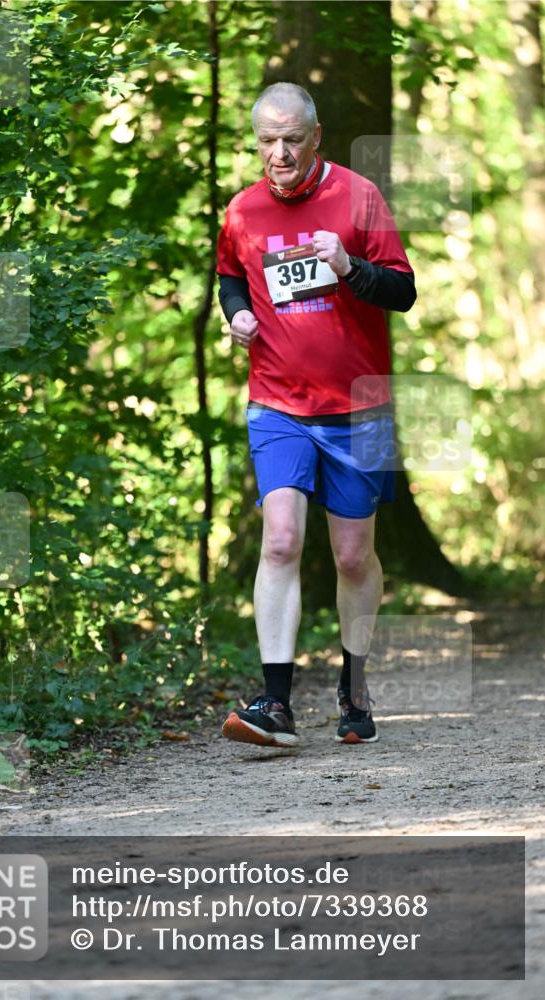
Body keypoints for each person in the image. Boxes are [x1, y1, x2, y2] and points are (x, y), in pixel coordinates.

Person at [217, 82, 416, 747]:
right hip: (276, 403)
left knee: (353, 556)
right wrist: (236, 314)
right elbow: (229, 275)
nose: (279, 153)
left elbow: (403, 290)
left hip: (359, 408)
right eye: (267, 141)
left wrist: (349, 266)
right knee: (279, 539)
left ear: (315, 136)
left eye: (291, 140)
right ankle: (275, 704)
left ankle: (353, 684)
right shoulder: (241, 211)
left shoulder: (359, 196)